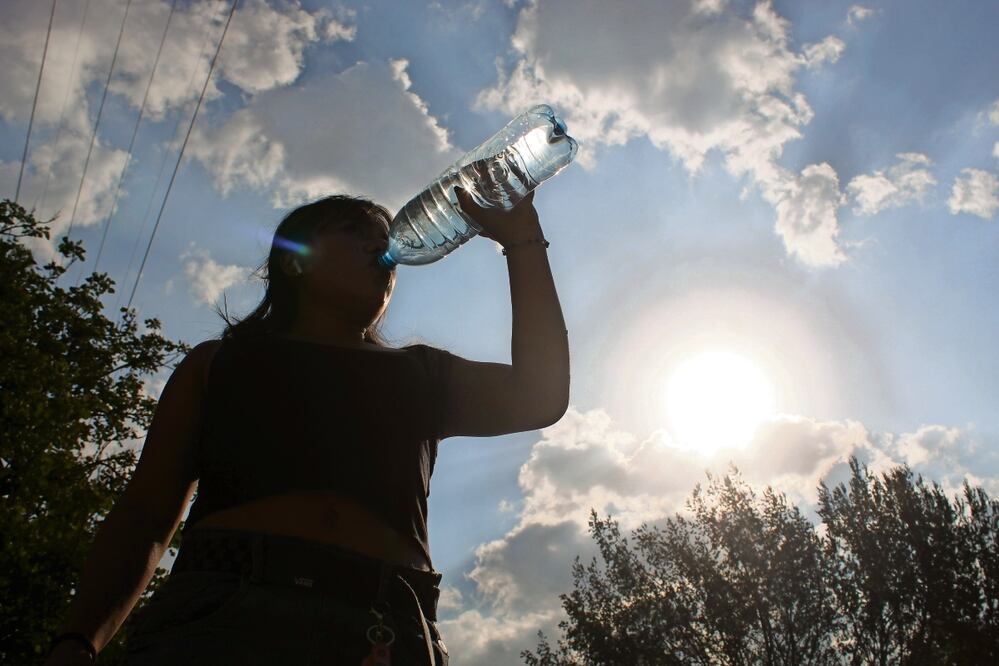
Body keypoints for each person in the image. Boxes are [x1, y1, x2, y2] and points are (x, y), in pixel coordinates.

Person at [44, 186, 570, 665]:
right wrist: (79, 640)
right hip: (223, 615)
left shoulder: (422, 373)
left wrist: (522, 240)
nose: (380, 249)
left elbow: (539, 396)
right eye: (355, 234)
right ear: (294, 260)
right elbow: (146, 514)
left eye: (383, 239)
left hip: (387, 623)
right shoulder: (219, 363)